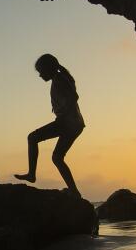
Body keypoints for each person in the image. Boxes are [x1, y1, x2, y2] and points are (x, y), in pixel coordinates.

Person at [14, 53, 85, 196]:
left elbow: (74, 96)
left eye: (41, 72)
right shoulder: (60, 78)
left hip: (67, 123)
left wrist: (63, 113)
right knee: (57, 157)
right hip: (76, 124)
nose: (40, 75)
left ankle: (31, 175)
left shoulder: (60, 79)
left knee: (32, 138)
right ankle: (74, 192)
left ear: (48, 68)